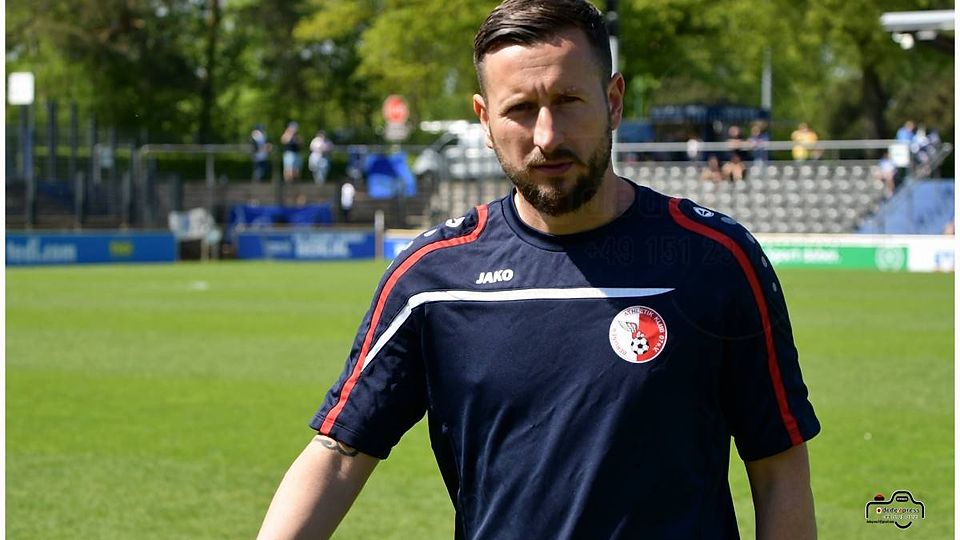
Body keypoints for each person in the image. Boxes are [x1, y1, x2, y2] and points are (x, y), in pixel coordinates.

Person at [258, 1, 820, 539]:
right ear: (485, 120)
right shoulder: (431, 280)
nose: (547, 137)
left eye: (568, 100)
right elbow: (338, 456)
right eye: (520, 109)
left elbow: (779, 465)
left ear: (613, 101)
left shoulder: (716, 260)